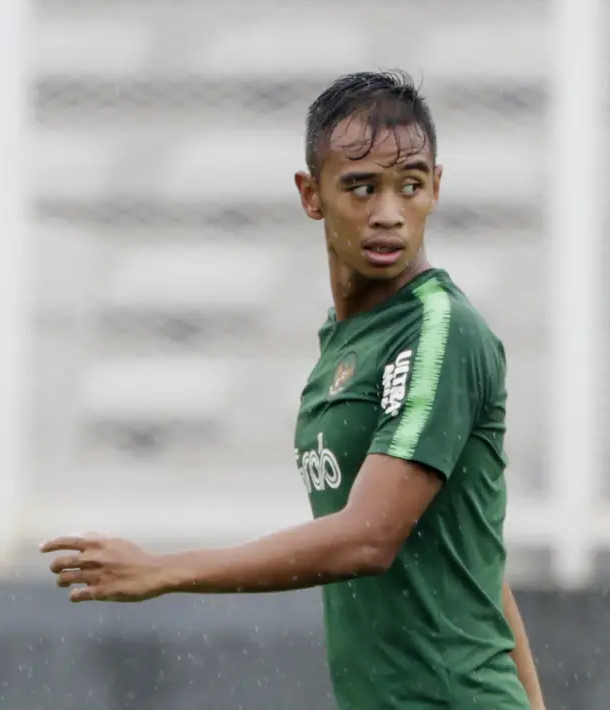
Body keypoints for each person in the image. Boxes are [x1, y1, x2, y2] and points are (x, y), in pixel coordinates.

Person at [40, 70, 547, 710]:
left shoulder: (439, 333)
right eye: (361, 187)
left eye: (410, 186)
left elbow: (369, 536)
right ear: (312, 194)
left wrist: (162, 570)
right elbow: (476, 561)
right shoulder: (347, 340)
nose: (389, 213)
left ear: (436, 188)